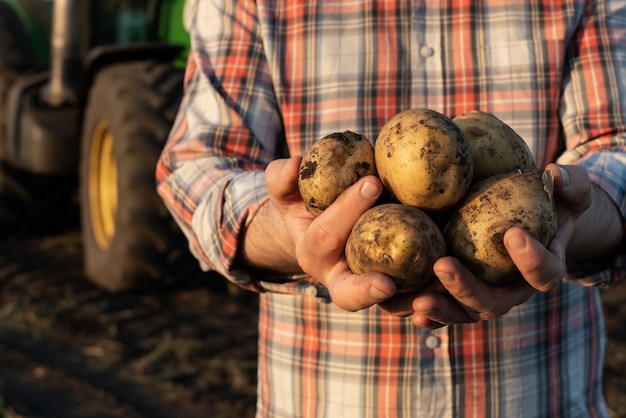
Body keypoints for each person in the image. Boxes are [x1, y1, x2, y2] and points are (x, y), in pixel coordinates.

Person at [157, 0, 626, 416]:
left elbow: (618, 147)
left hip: (540, 394)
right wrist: (291, 233)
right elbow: (196, 170)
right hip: (325, 398)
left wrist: (572, 217)